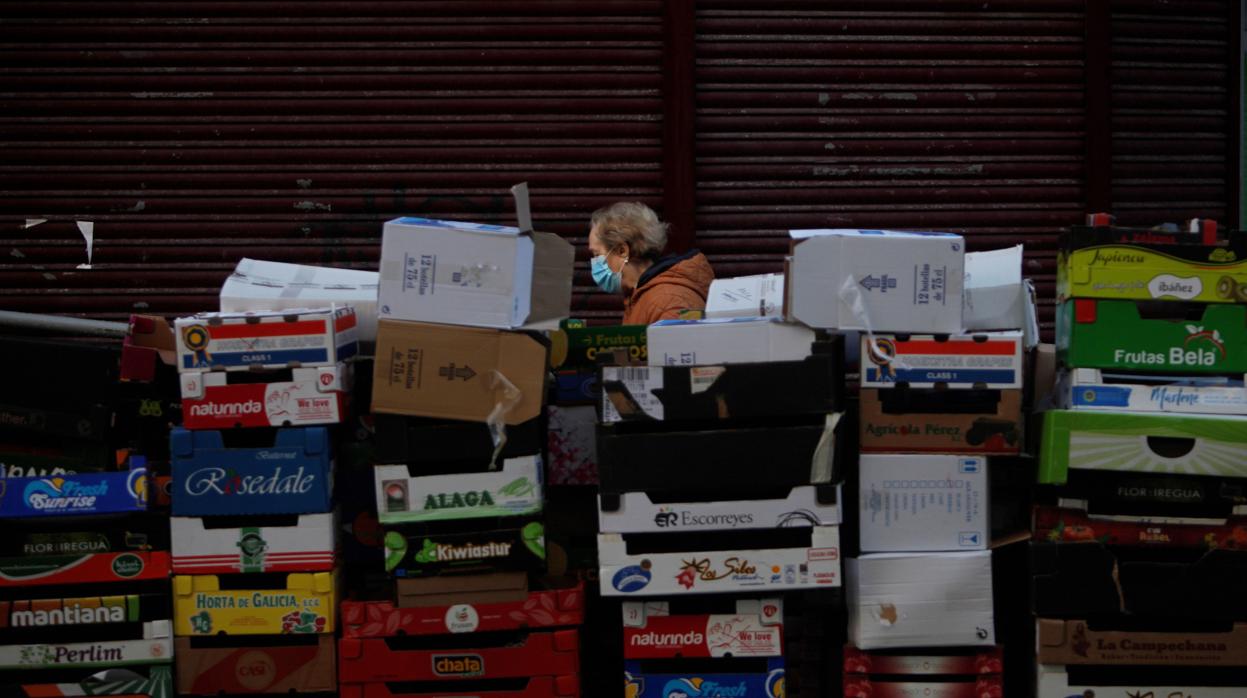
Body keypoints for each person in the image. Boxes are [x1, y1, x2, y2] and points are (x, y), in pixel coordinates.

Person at [587, 202, 714, 325]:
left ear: (622, 251)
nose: (594, 263)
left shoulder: (667, 302)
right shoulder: (641, 295)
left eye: (597, 254)